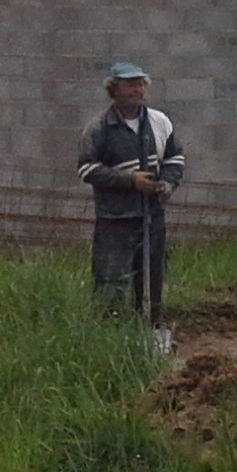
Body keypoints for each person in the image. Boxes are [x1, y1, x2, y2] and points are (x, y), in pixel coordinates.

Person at [76, 61, 184, 324]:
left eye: (140, 84)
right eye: (130, 84)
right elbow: (87, 169)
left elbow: (175, 158)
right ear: (114, 89)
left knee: (151, 278)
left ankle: (150, 327)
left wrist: (168, 183)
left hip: (152, 217)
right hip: (115, 218)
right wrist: (129, 180)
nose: (137, 90)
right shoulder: (99, 128)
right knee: (110, 281)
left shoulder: (159, 122)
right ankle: (109, 331)